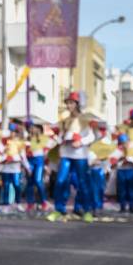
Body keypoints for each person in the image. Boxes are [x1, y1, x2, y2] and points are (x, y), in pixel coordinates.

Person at [49, 91, 96, 222]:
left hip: (80, 155)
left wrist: (80, 141)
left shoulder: (84, 119)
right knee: (60, 181)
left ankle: (86, 210)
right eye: (67, 103)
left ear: (77, 104)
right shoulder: (64, 121)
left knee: (83, 182)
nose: (69, 105)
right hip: (65, 154)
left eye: (71, 103)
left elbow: (91, 136)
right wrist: (59, 139)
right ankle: (59, 209)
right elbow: (60, 137)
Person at [23, 121, 53, 213]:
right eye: (29, 127)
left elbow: (48, 150)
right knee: (30, 183)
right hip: (29, 160)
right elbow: (23, 152)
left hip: (39, 161)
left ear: (39, 128)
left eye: (33, 127)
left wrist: (47, 164)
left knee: (38, 180)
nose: (31, 129)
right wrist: (27, 166)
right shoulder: (26, 139)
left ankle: (43, 202)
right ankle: (30, 203)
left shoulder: (45, 138)